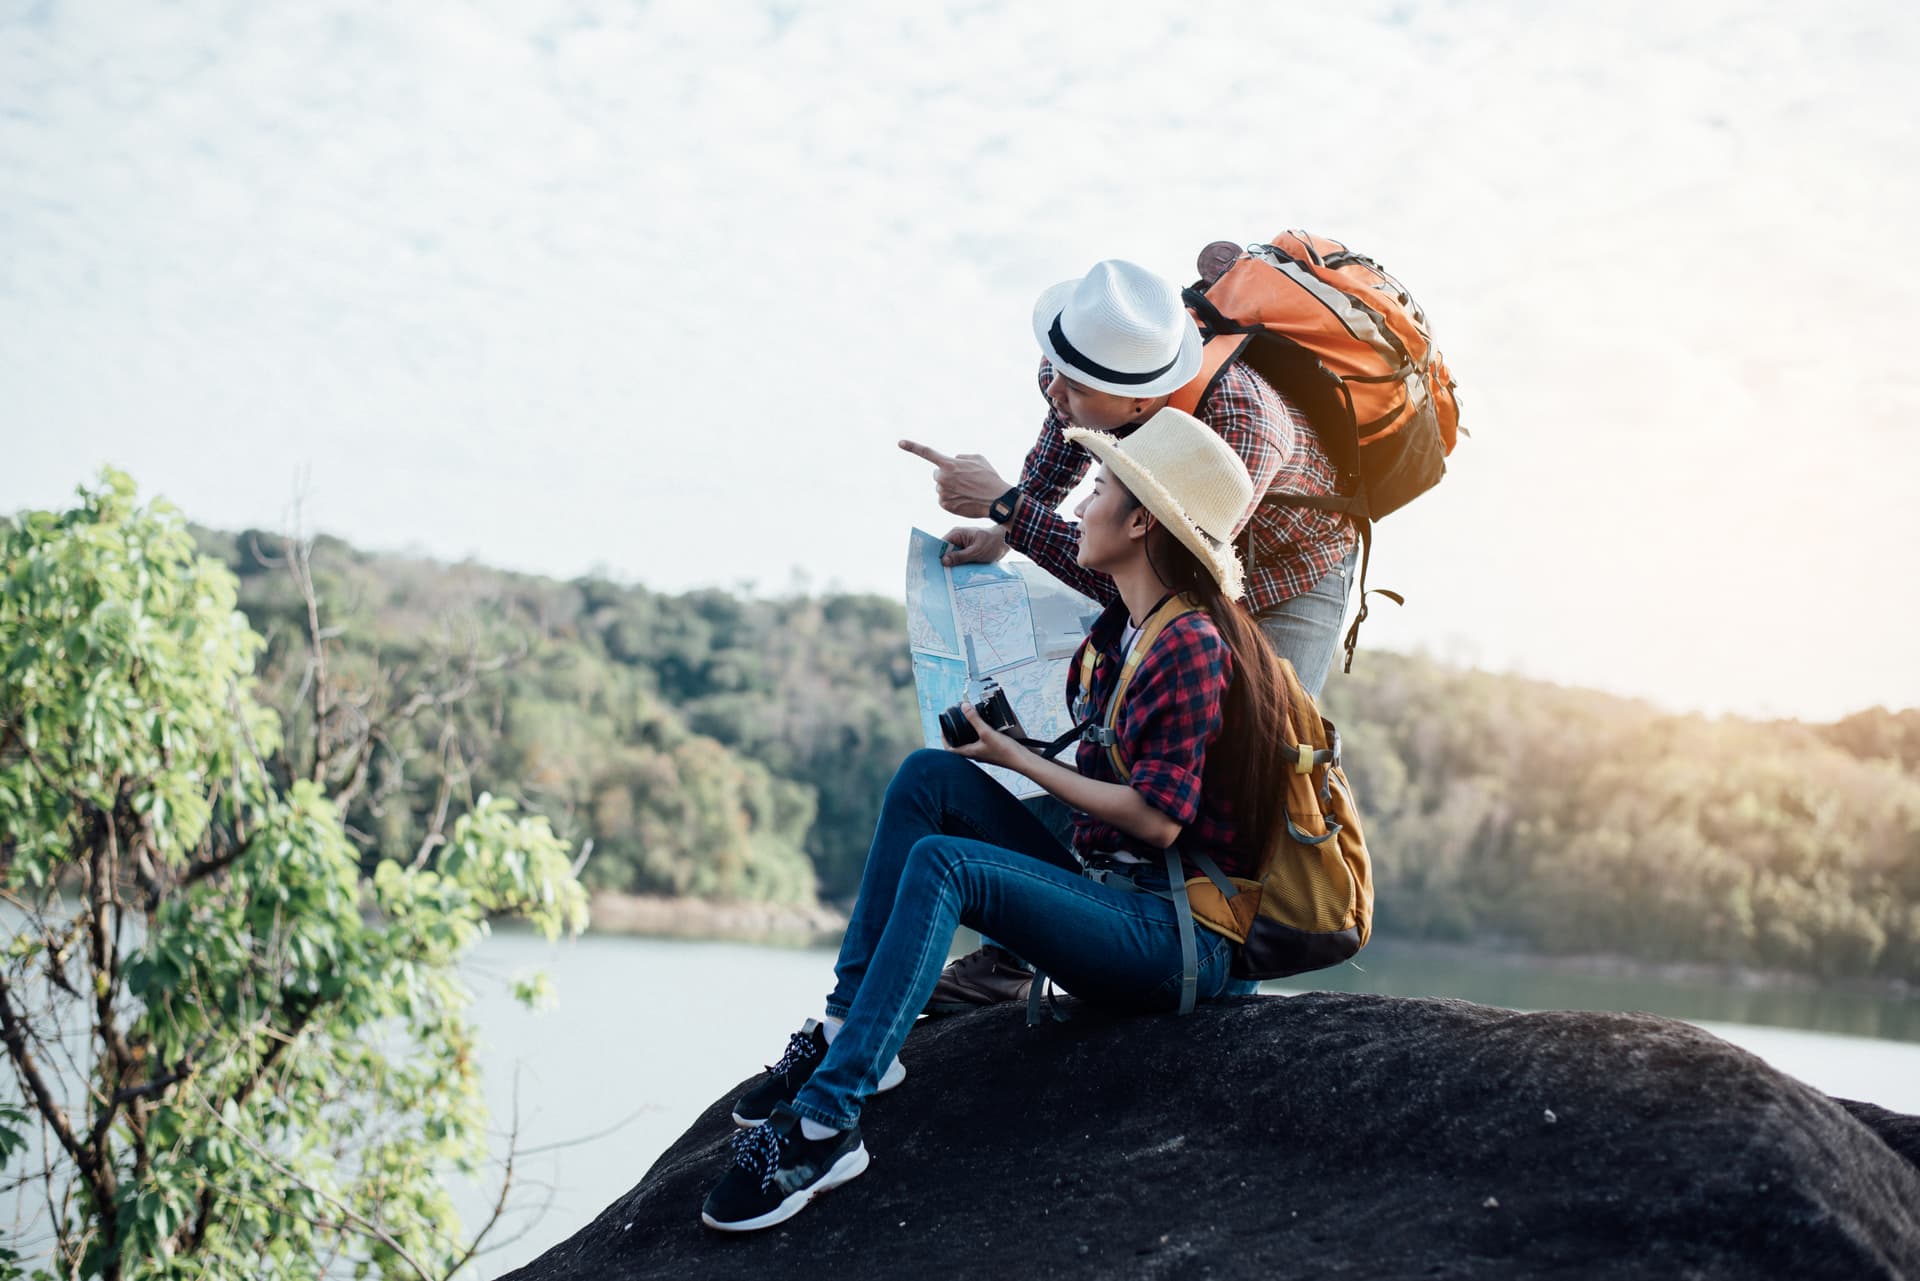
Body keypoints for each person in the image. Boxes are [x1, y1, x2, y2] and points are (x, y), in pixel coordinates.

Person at [700, 409, 1293, 1232]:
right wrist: (1009, 743)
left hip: (1176, 936)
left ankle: (828, 1123)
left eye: (1097, 492)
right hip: (1114, 893)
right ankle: (846, 1024)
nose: (1081, 506)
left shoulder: (1190, 642)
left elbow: (1158, 821)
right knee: (928, 778)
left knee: (948, 864)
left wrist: (1018, 761)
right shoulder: (1129, 621)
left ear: (1140, 521)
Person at [900, 255, 1356, 1009]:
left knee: (1260, 758)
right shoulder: (1092, 366)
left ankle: (1228, 968)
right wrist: (1002, 530)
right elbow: (1056, 457)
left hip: (1288, 571)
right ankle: (1011, 957)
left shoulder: (1239, 419)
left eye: (1072, 387)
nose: (1055, 393)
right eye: (1051, 372)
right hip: (1184, 552)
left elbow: (1170, 578)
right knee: (1075, 718)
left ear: (1136, 398)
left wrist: (1010, 508)